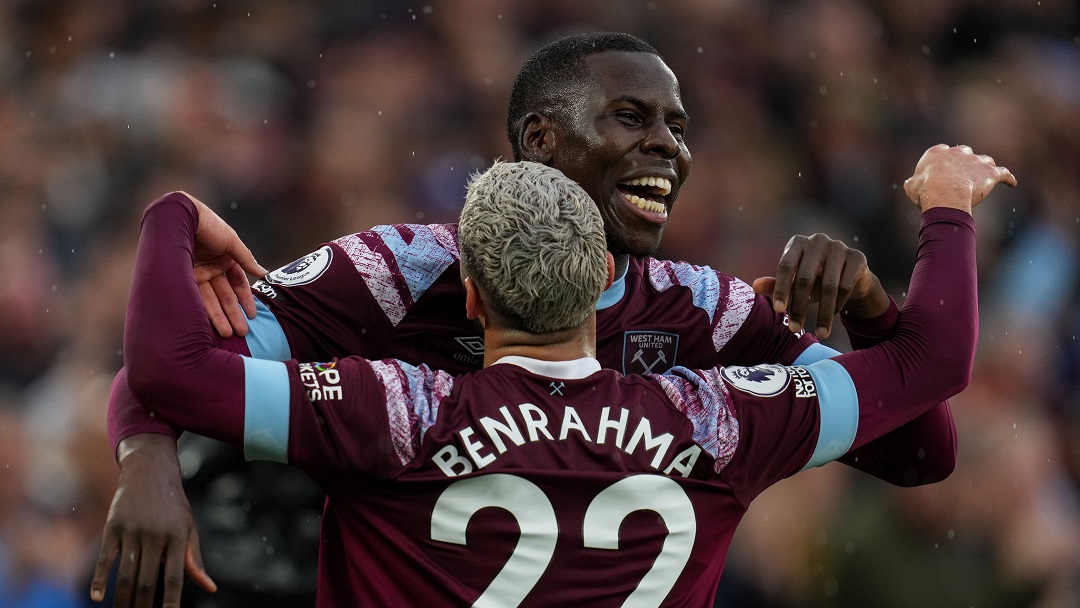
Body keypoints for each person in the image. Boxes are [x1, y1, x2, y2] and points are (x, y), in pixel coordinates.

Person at [94, 33, 960, 606]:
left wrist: (872, 306)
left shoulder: (705, 305)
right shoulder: (399, 270)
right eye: (633, 117)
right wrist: (149, 462)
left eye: (679, 127)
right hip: (290, 551)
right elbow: (174, 367)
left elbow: (920, 454)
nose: (670, 146)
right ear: (540, 140)